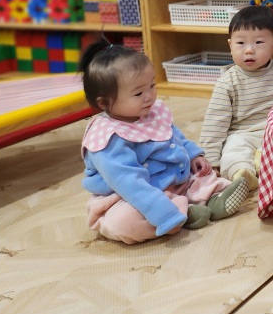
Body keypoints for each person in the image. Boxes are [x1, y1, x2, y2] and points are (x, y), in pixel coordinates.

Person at [79, 40, 248, 245]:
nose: (149, 96)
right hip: (128, 196)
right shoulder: (107, 138)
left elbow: (173, 136)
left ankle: (211, 200)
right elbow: (130, 183)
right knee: (123, 221)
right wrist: (164, 215)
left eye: (152, 85)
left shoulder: (149, 111)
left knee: (204, 177)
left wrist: (193, 155)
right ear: (105, 102)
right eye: (138, 93)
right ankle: (184, 212)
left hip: (173, 180)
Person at [198, 5, 273, 192]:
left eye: (258, 42)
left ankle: (263, 164)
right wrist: (212, 161)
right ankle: (242, 174)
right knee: (234, 149)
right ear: (230, 46)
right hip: (244, 133)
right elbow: (214, 124)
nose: (249, 50)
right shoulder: (227, 82)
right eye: (241, 43)